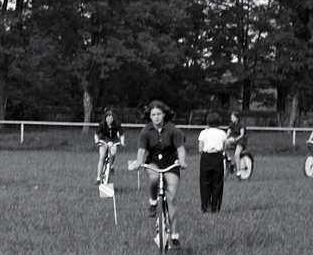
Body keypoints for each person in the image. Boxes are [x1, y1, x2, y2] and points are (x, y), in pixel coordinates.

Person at [129, 100, 187, 246]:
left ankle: (174, 236)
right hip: (153, 161)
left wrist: (182, 161)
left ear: (164, 114)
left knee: (172, 199)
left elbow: (180, 149)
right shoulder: (146, 131)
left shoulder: (173, 130)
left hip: (171, 163)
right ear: (150, 116)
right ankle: (153, 201)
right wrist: (138, 162)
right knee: (154, 178)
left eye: (159, 114)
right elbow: (141, 151)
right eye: (153, 114)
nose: (156, 117)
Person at [196, 111, 228, 212]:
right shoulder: (222, 133)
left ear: (208, 122)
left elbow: (200, 149)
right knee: (217, 182)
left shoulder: (203, 133)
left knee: (205, 182)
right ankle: (215, 206)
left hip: (206, 157)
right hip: (218, 157)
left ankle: (205, 206)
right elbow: (224, 148)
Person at [94, 109, 123, 183]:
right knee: (102, 157)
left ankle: (111, 165)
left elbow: (121, 134)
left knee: (113, 154)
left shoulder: (117, 124)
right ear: (105, 118)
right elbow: (96, 134)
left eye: (111, 118)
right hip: (104, 140)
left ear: (113, 118)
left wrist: (122, 141)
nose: (109, 120)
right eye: (108, 118)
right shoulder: (102, 124)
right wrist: (97, 140)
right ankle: (98, 178)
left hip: (114, 140)